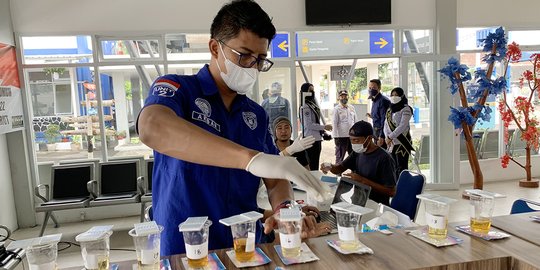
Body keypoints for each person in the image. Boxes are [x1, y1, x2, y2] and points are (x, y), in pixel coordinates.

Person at [136, 0, 328, 256]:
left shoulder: (255, 114)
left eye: (260, 59)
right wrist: (251, 159)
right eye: (244, 55)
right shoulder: (179, 90)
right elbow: (151, 127)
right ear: (215, 47)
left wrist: (285, 209)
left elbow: (274, 179)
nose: (252, 66)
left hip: (246, 241)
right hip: (186, 243)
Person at [321, 120, 396, 205]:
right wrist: (330, 166)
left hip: (375, 204)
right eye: (351, 140)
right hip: (357, 201)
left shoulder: (384, 158)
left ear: (369, 138)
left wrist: (362, 181)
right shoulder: (357, 153)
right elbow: (339, 169)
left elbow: (391, 192)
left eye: (356, 140)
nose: (353, 143)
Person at [299, 82, 332, 170]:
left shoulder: (312, 104)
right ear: (305, 91)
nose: (312, 92)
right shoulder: (305, 106)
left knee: (315, 164)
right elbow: (308, 124)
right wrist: (324, 127)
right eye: (310, 90)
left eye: (313, 90)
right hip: (311, 139)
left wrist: (323, 131)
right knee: (312, 165)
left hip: (316, 138)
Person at [384, 87, 414, 179]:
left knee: (402, 167)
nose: (394, 97)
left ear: (401, 96)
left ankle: (403, 188)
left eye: (396, 95)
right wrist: (387, 137)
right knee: (393, 167)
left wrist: (390, 137)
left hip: (402, 143)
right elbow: (385, 125)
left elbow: (402, 126)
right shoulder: (390, 109)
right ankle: (395, 187)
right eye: (392, 95)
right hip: (392, 143)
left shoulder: (406, 109)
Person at [332, 90, 356, 163]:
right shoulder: (336, 109)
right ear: (339, 98)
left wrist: (356, 133)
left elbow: (355, 121)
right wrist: (335, 137)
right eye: (342, 96)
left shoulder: (351, 107)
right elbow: (334, 123)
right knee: (340, 156)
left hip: (351, 136)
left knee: (353, 155)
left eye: (345, 96)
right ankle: (338, 173)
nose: (344, 98)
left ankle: (353, 171)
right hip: (341, 137)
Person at [366, 79, 391, 148]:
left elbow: (385, 119)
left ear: (379, 88)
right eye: (370, 88)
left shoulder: (383, 101)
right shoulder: (375, 99)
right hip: (376, 130)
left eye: (374, 88)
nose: (371, 89)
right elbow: (379, 115)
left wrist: (381, 136)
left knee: (381, 152)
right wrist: (372, 116)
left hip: (381, 131)